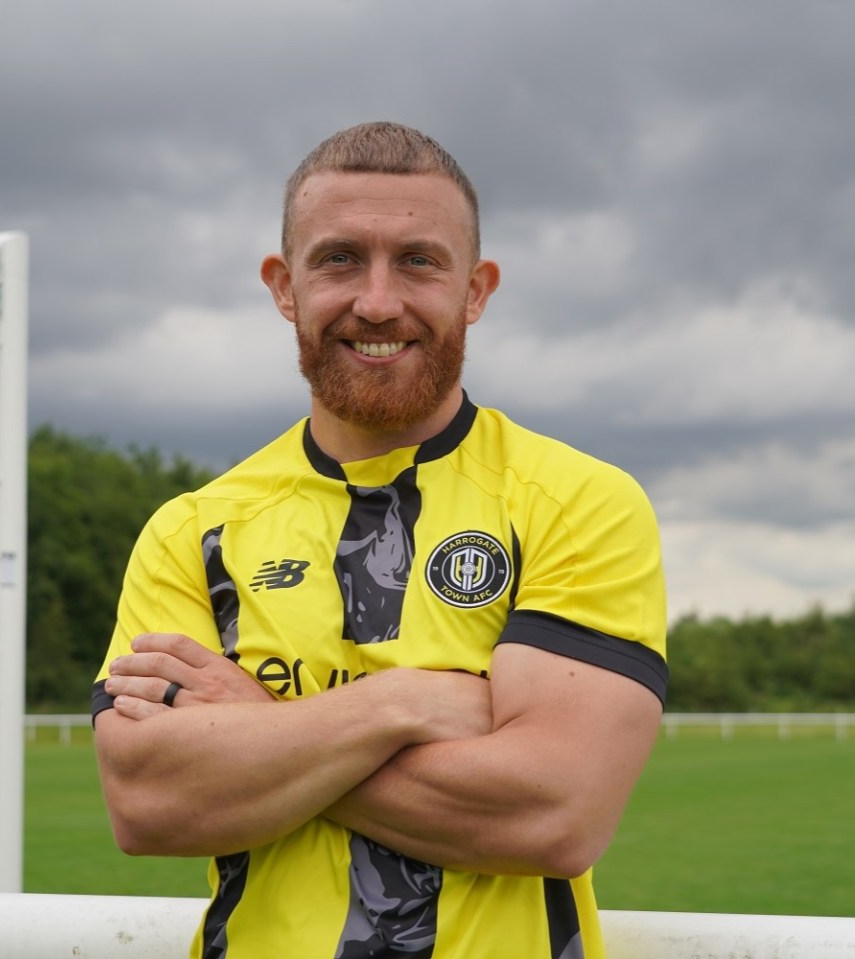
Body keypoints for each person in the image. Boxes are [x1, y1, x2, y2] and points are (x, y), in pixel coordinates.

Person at [91, 121, 668, 959]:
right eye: (337, 259)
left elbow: (554, 811)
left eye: (418, 260)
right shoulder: (193, 529)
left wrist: (259, 731)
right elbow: (148, 802)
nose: (376, 301)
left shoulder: (577, 502)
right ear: (283, 286)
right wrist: (397, 704)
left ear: (475, 290)